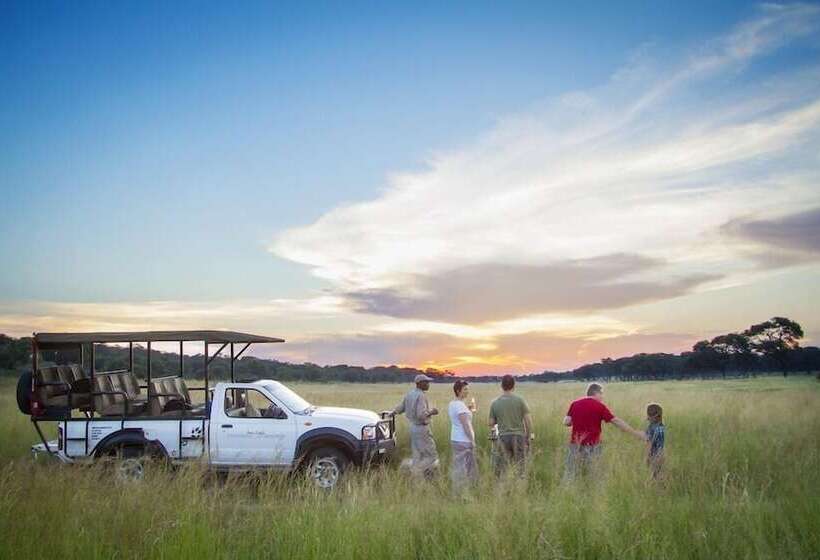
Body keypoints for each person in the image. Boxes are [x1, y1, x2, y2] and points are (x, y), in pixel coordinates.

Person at [562, 382, 646, 481]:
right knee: (595, 473)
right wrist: (634, 432)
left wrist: (578, 420)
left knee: (570, 472)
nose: (602, 396)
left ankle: (569, 491)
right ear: (596, 392)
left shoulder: (575, 403)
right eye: (601, 393)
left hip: (575, 444)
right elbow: (615, 421)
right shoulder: (599, 406)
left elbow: (566, 422)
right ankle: (595, 494)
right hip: (593, 445)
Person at [393, 374, 440, 479]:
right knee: (432, 456)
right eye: (426, 382)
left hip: (413, 428)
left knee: (417, 455)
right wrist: (432, 411)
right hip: (422, 429)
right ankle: (416, 471)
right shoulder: (421, 396)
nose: (428, 384)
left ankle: (419, 480)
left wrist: (392, 412)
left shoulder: (410, 394)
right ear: (419, 383)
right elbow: (421, 415)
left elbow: (401, 408)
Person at [488, 375, 532, 477]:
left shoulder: (495, 403)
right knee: (520, 467)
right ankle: (519, 488)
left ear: (502, 386)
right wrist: (528, 436)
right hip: (518, 436)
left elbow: (490, 423)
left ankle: (503, 488)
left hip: (502, 437)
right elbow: (528, 421)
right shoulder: (520, 400)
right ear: (513, 386)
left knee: (502, 468)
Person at [448, 379, 478, 490]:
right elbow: (465, 424)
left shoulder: (453, 404)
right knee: (464, 468)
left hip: (456, 438)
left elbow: (459, 418)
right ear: (458, 390)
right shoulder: (460, 406)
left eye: (468, 389)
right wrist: (472, 440)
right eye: (465, 389)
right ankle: (461, 492)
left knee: (460, 466)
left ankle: (460, 490)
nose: (467, 392)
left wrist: (468, 410)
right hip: (463, 440)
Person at [645, 403, 665, 479]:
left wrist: (647, 457)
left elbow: (649, 443)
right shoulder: (661, 427)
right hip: (661, 454)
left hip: (653, 455)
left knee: (652, 475)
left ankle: (651, 488)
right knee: (659, 473)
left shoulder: (651, 428)